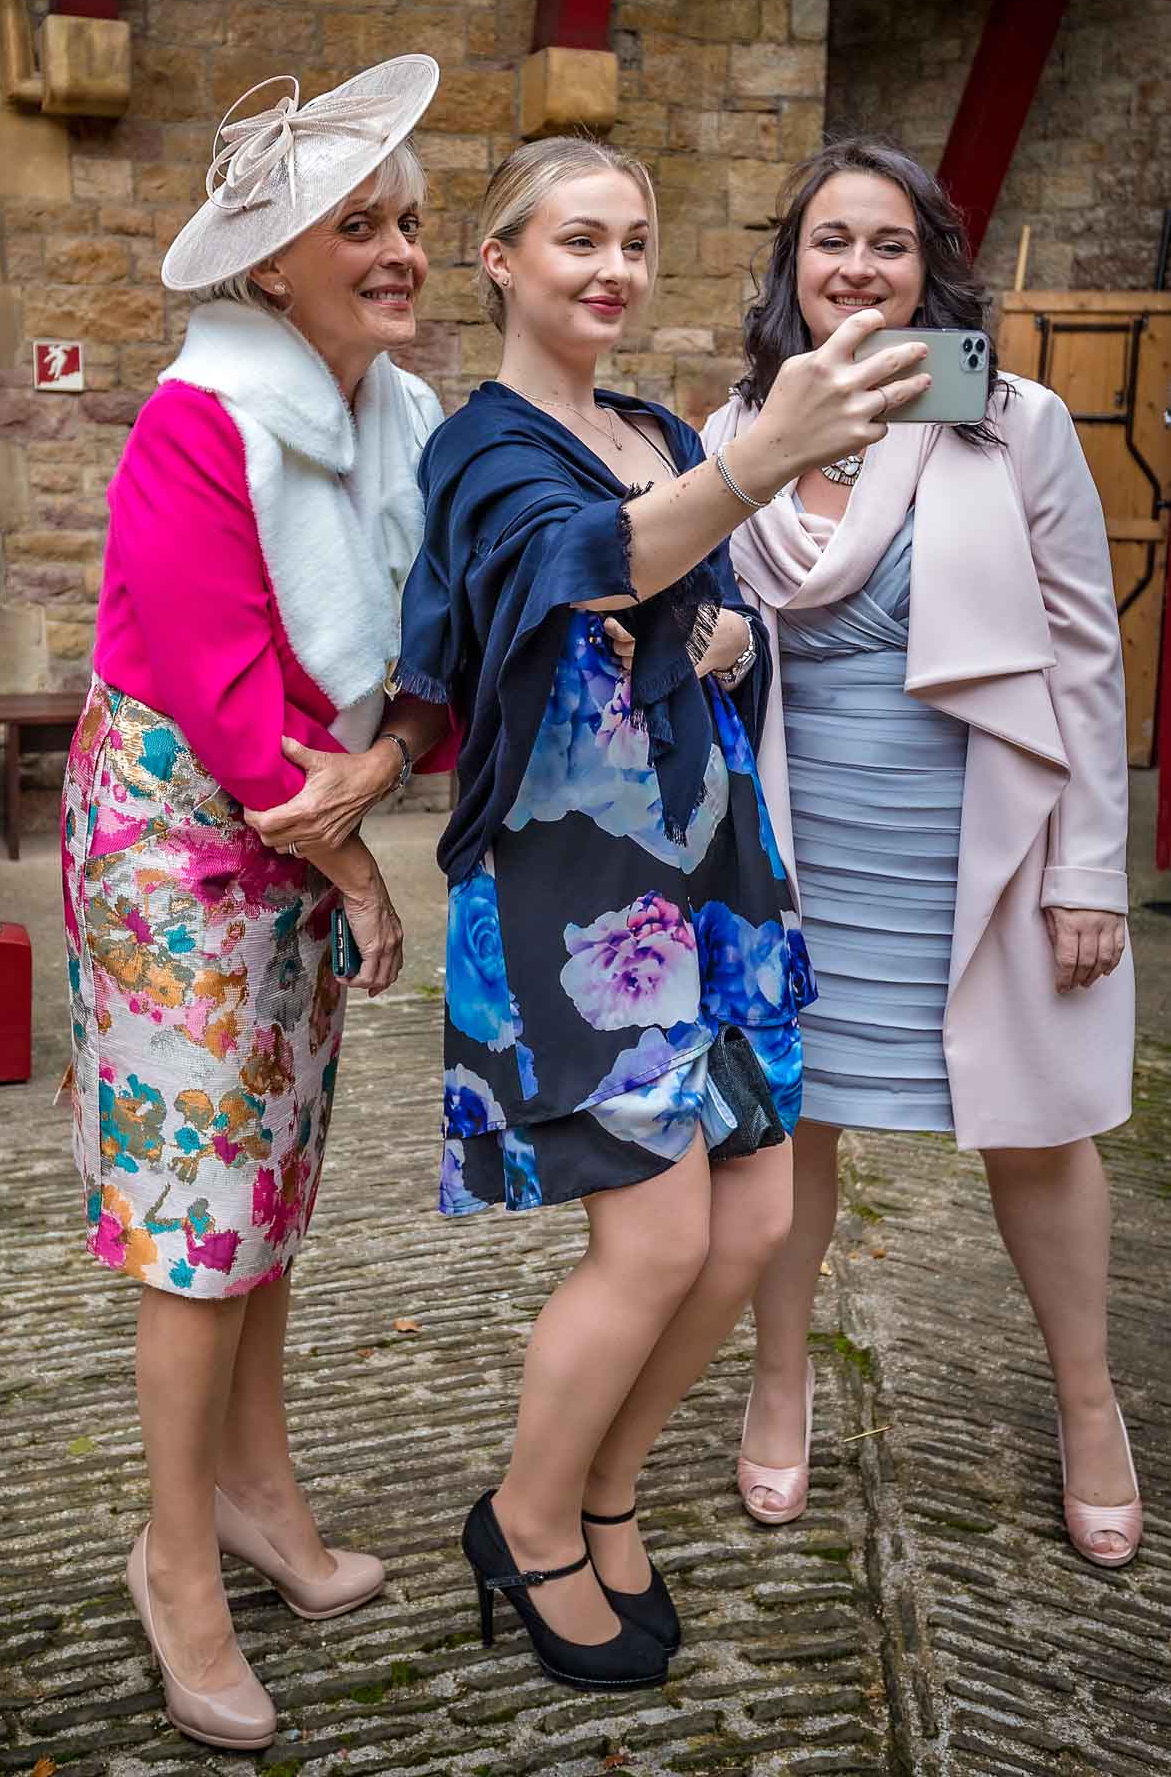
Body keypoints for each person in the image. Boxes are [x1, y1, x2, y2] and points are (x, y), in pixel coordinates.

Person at [394, 135, 931, 1690]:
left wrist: (718, 640)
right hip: (579, 892)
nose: (612, 269)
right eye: (577, 241)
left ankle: (607, 1487)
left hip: (711, 868)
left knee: (753, 1222)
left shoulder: (648, 423)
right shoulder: (479, 444)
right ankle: (525, 1516)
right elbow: (571, 572)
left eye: (633, 240)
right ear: (498, 260)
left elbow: (701, 611)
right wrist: (747, 478)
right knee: (651, 1240)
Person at [60, 57, 454, 1751]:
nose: (399, 251)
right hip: (181, 845)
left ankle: (261, 1499)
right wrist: (359, 850)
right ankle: (176, 1565)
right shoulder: (192, 421)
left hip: (290, 830)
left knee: (268, 1193)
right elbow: (228, 701)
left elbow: (433, 644)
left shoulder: (401, 423)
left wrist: (393, 762)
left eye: (411, 222)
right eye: (356, 225)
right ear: (268, 264)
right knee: (194, 1223)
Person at [707, 139, 1141, 1570]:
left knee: (1035, 1128)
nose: (855, 269)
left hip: (983, 841)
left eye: (886, 244)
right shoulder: (738, 427)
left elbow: (1082, 650)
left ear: (929, 265)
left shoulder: (1002, 421)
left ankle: (1088, 1404)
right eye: (828, 242)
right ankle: (780, 1386)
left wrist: (1087, 866)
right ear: (790, 266)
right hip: (795, 840)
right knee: (794, 1125)